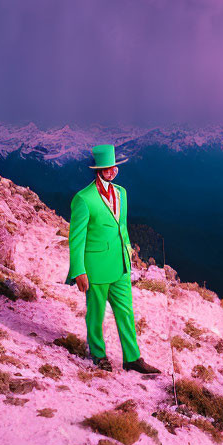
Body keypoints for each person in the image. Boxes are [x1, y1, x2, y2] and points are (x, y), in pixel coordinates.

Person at [66, 143, 160, 374]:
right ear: (98, 170)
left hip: (120, 266)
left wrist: (128, 253)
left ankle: (132, 358)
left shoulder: (122, 193)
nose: (112, 171)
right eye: (107, 168)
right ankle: (98, 354)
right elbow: (76, 239)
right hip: (95, 267)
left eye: (114, 167)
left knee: (126, 312)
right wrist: (78, 270)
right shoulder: (83, 199)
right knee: (96, 313)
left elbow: (122, 227)